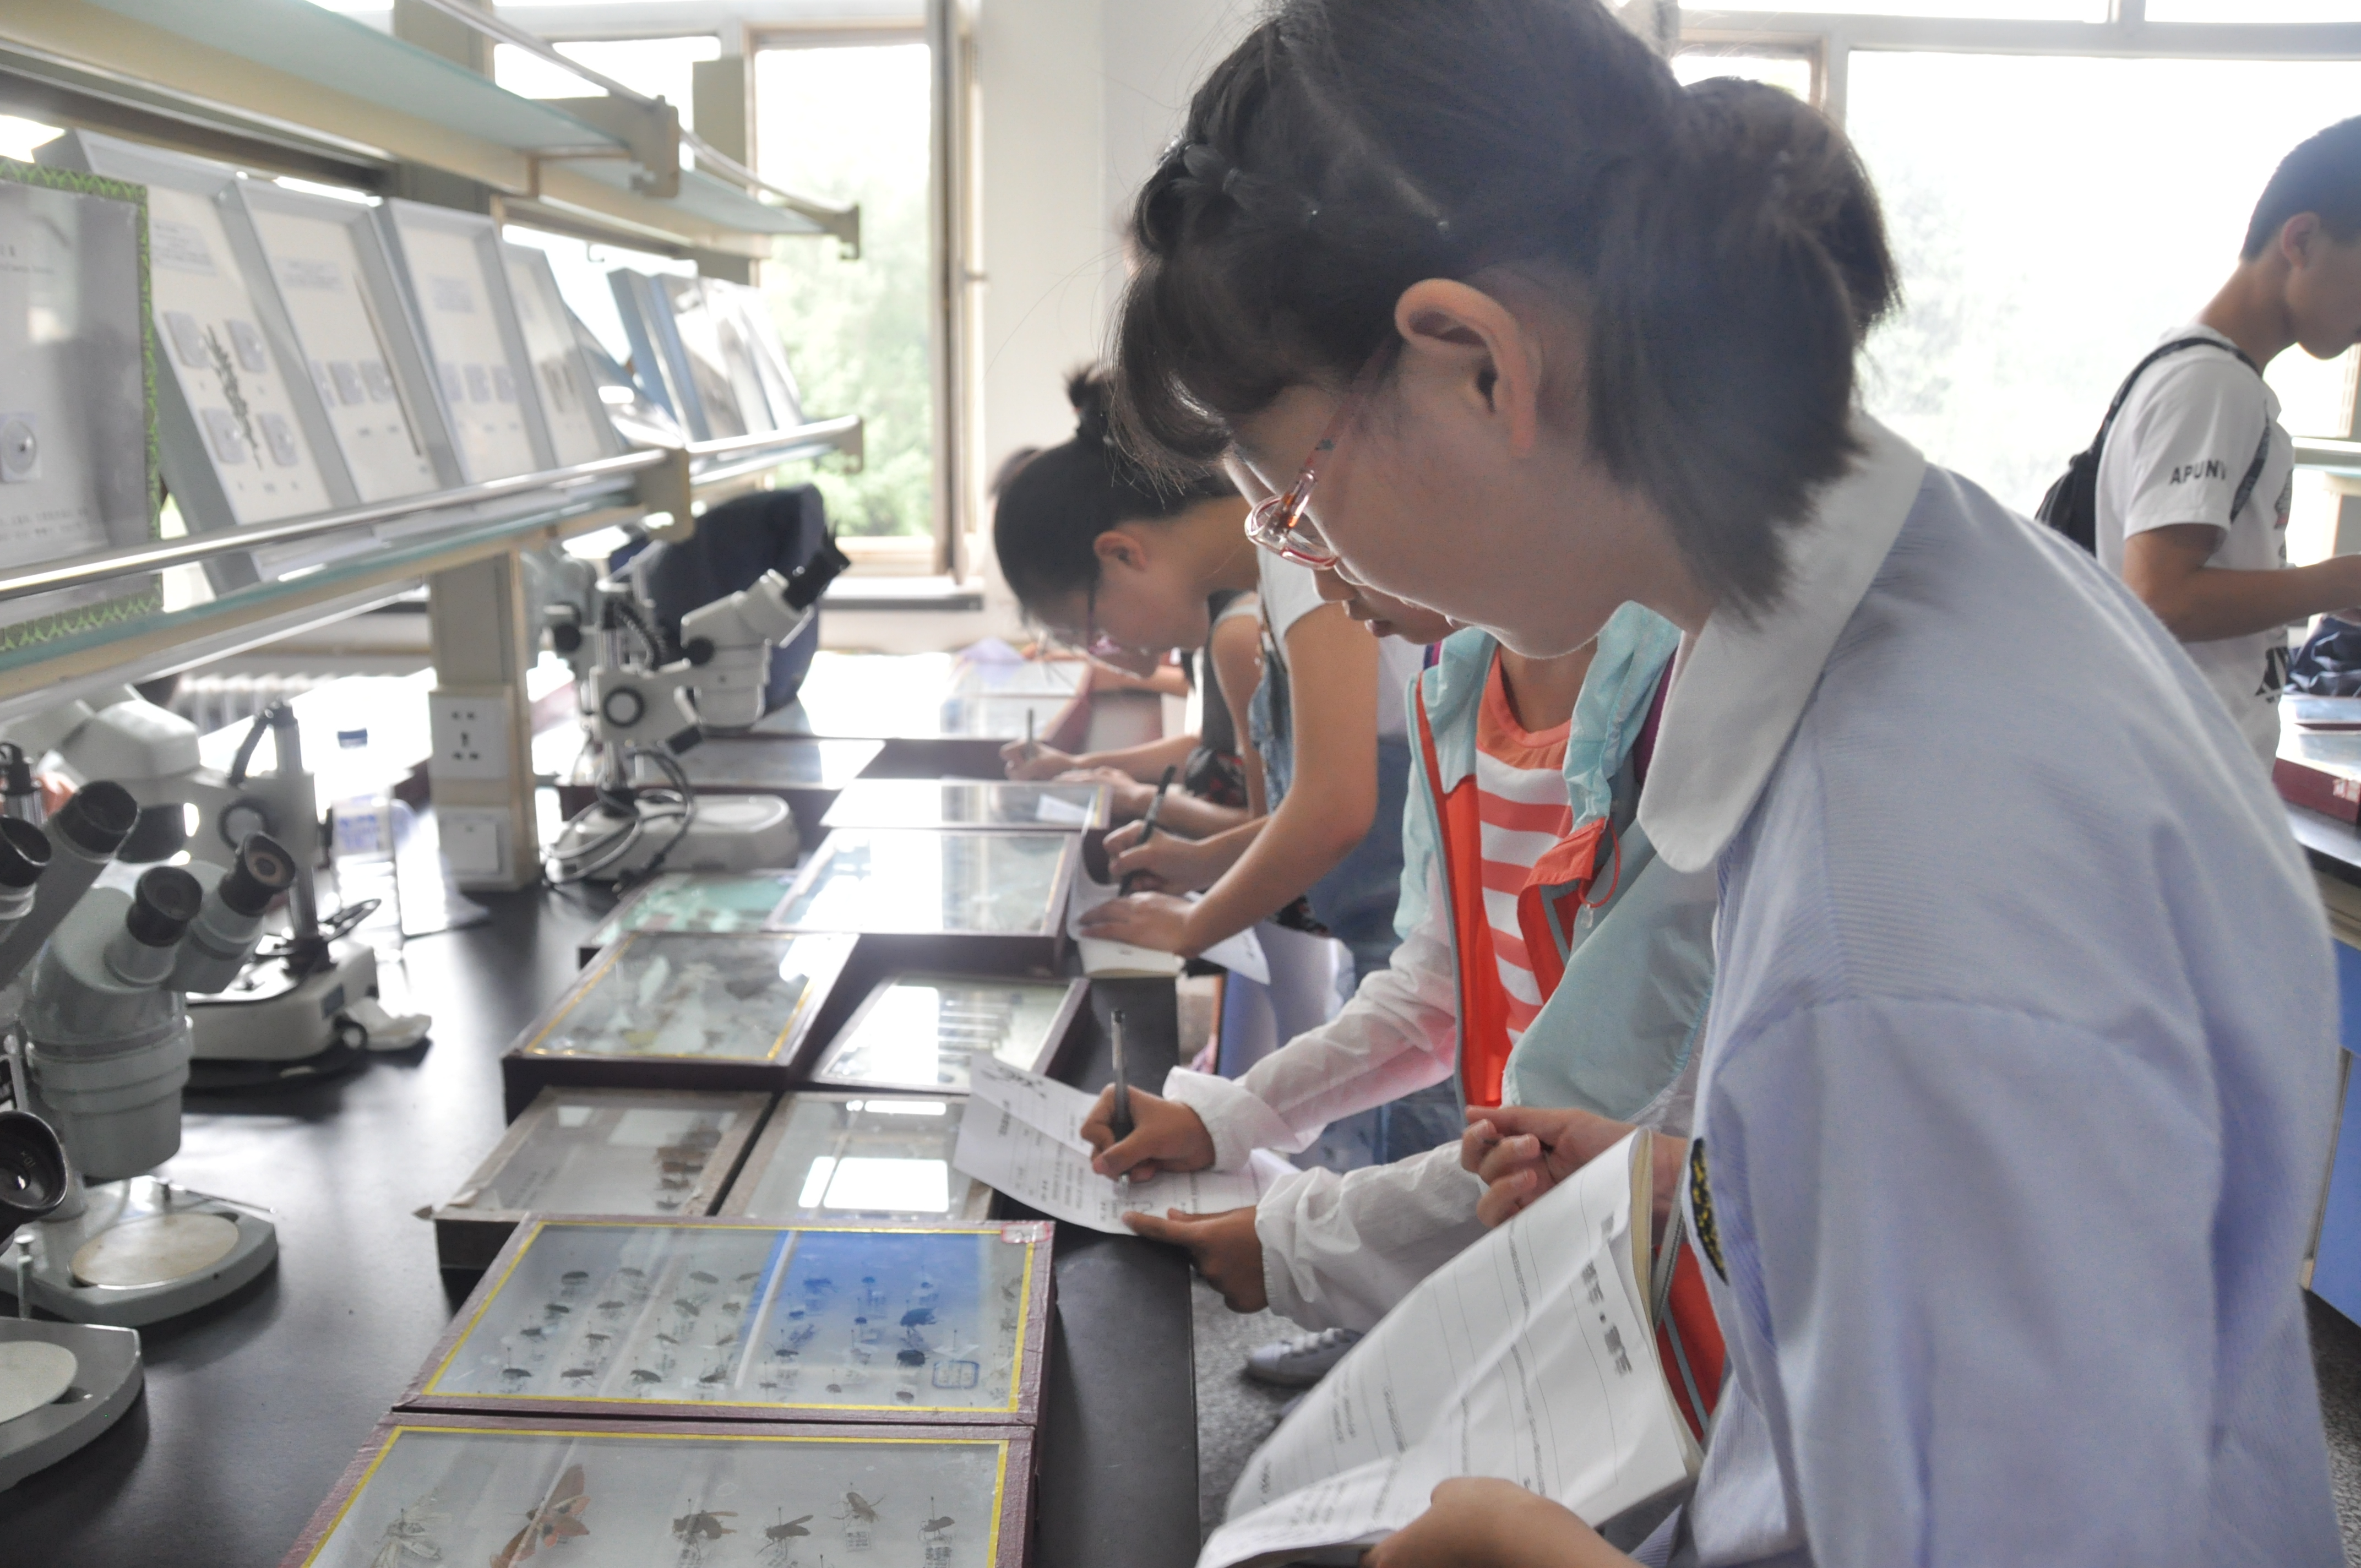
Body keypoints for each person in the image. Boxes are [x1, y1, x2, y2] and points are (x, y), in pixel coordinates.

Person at [1109, 3, 2343, 1564]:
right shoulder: (1948, 597)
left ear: (1479, 367)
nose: (1316, 552)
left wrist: (1517, 1549)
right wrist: (1706, 1175)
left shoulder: (1902, 900)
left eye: (1294, 492)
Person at [1086, 576, 1712, 1382]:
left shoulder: (1683, 696)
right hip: (1554, 1232)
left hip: (1694, 1268)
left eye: (1311, 518)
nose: (1318, 578)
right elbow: (1433, 989)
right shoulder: (1456, 679)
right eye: (1282, 535)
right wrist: (1226, 1117)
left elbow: (1611, 1116)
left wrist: (1300, 1246)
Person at [2097, 115, 2361, 766]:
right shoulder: (2215, 384)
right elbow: (2161, 597)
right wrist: (2342, 580)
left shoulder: (2201, 371)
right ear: (2301, 239)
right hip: (2177, 776)